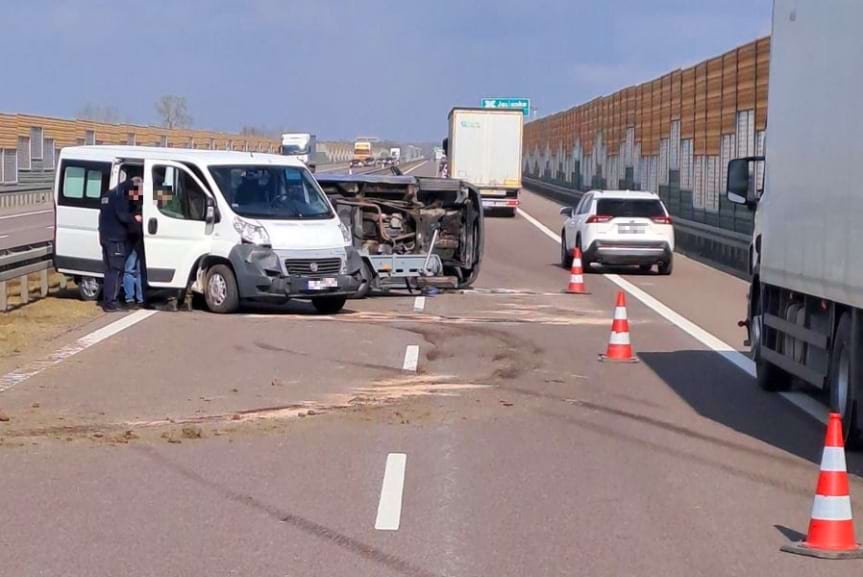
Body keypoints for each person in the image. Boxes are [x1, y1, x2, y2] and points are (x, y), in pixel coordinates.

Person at [98, 176, 142, 312]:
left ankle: (108, 301)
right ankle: (111, 303)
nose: (138, 195)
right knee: (116, 271)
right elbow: (123, 216)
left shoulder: (108, 195)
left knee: (109, 271)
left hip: (105, 237)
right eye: (138, 191)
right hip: (115, 239)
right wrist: (136, 219)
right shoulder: (120, 197)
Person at [123, 182, 146, 308]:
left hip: (139, 238)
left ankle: (138, 298)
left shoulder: (138, 200)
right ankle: (131, 298)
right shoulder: (130, 201)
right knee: (131, 270)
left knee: (137, 270)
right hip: (133, 238)